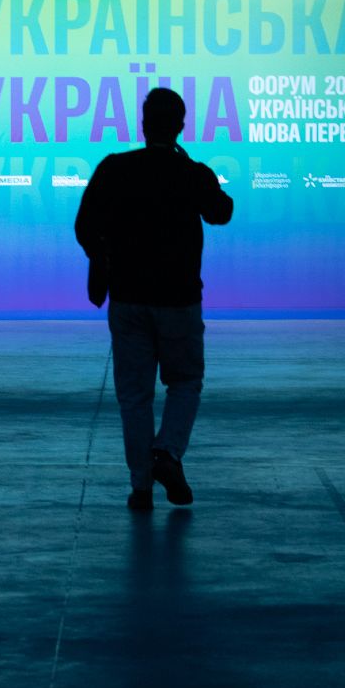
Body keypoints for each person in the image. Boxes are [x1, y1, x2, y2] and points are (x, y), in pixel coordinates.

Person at [74, 88, 233, 510]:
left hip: (128, 299)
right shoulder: (191, 172)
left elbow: (84, 226)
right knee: (185, 382)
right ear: (180, 126)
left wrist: (105, 259)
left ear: (143, 125)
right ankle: (167, 452)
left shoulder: (114, 168)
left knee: (134, 395)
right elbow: (222, 211)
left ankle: (141, 487)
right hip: (179, 300)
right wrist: (193, 169)